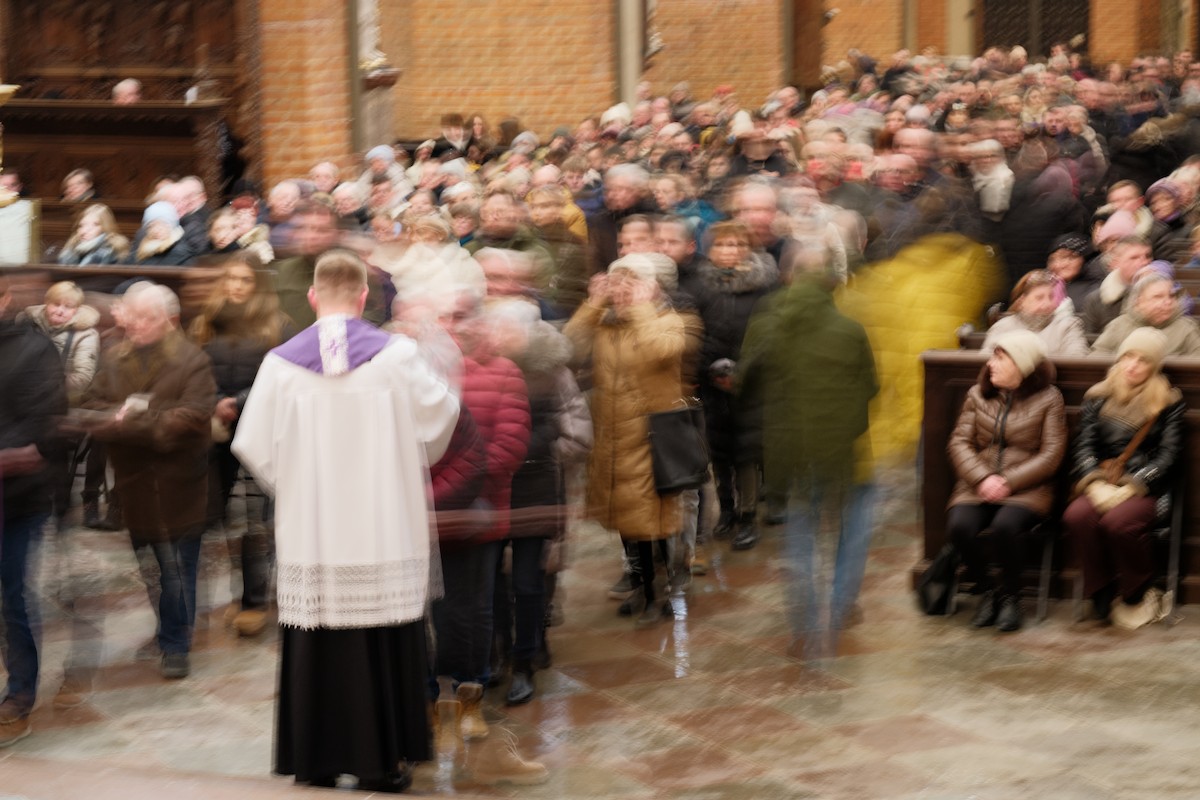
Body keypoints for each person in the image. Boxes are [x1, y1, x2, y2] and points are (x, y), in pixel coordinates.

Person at [232, 250, 459, 791]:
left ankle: (316, 762)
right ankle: (381, 763)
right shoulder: (397, 355)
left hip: (313, 535)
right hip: (384, 528)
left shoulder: (280, 364)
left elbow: (252, 444)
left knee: (317, 639)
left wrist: (298, 488)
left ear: (312, 296)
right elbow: (441, 417)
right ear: (363, 297)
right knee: (384, 635)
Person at [83, 282, 215, 679]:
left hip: (178, 486)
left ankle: (176, 644)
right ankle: (167, 629)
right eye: (132, 315)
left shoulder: (191, 360)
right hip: (134, 484)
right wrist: (125, 421)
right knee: (151, 570)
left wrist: (132, 421)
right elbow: (91, 407)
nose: (136, 324)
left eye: (146, 317)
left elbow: (191, 418)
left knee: (178, 570)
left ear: (168, 320)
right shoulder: (114, 357)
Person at [564, 254, 686, 627]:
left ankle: (659, 592)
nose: (621, 291)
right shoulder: (604, 324)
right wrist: (593, 303)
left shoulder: (668, 320)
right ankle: (640, 586)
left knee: (651, 521)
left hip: (650, 438)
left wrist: (642, 308)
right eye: (616, 282)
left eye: (630, 283)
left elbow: (659, 351)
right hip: (613, 436)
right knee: (626, 520)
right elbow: (569, 349)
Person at [188, 254, 294, 637]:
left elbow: (284, 376)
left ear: (258, 285)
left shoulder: (278, 325)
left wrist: (240, 402)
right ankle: (214, 601)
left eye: (245, 280)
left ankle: (254, 600)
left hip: (260, 428)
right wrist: (216, 400)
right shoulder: (204, 321)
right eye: (231, 278)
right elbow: (193, 367)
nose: (235, 285)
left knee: (254, 520)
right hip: (215, 429)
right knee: (209, 516)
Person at [1064, 327, 1185, 629]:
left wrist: (1132, 486)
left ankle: (1136, 588)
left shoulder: (1168, 401)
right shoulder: (1098, 396)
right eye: (1128, 357)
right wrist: (1094, 484)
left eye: (1142, 360)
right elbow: (1084, 446)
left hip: (1147, 487)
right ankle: (1100, 590)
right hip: (1102, 480)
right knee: (1077, 516)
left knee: (1118, 523)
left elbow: (1168, 456)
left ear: (1153, 366)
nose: (1132, 365)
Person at [946, 330, 1067, 633]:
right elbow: (959, 442)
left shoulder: (1049, 398)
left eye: (1000, 358)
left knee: (1006, 526)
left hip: (1028, 487)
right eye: (992, 356)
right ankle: (989, 592)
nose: (991, 364)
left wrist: (1008, 482)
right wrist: (983, 478)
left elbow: (1051, 454)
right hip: (977, 484)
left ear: (1021, 364)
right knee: (959, 526)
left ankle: (1012, 597)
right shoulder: (977, 394)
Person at [0, 275, 68, 747]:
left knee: (13, 596)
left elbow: (43, 424)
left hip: (16, 497)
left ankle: (20, 692)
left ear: (4, 297)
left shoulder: (33, 349)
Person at [1092, 271, 1200, 357]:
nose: (1168, 302)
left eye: (1171, 296)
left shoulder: (1186, 327)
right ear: (1138, 303)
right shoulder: (1118, 325)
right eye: (1158, 297)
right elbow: (1097, 357)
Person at [982, 270, 1089, 356]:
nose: (1047, 304)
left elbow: (1077, 361)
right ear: (1022, 301)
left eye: (1051, 297)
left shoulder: (1068, 325)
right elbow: (986, 361)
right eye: (1039, 298)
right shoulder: (1002, 327)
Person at [57, 204, 130, 266]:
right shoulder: (71, 248)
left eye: (95, 225)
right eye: (82, 225)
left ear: (105, 227)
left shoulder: (112, 251)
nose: (84, 231)